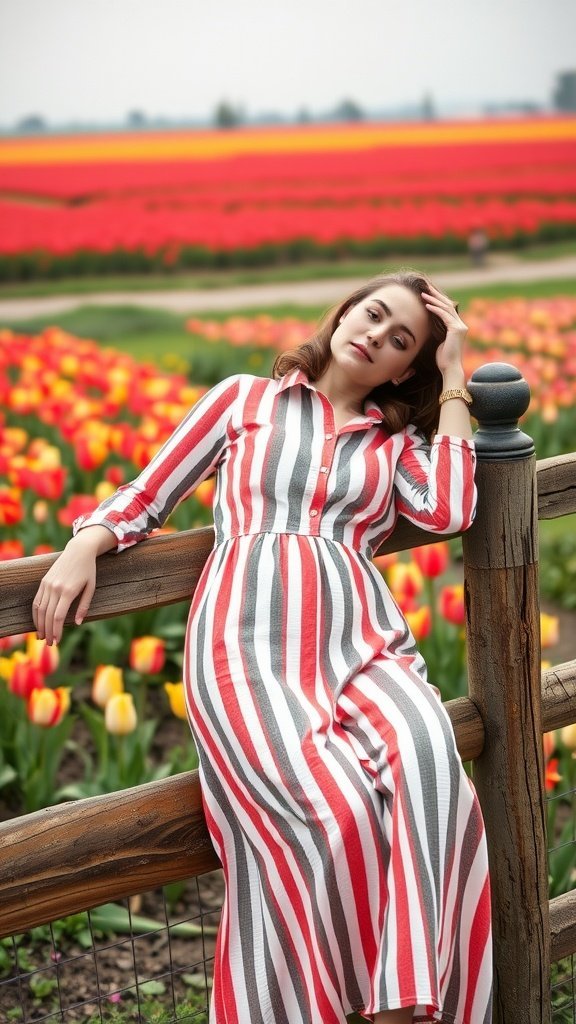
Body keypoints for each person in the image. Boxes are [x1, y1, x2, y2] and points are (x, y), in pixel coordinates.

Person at [33, 271, 492, 1024]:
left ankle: (409, 999)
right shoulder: (245, 399)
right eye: (373, 314)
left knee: (431, 762)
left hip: (365, 646)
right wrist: (88, 540)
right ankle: (352, 1007)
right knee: (331, 810)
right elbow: (151, 493)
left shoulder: (396, 442)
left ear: (403, 369)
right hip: (247, 650)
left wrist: (453, 378)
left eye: (401, 340)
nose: (375, 334)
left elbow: (449, 507)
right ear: (347, 310)